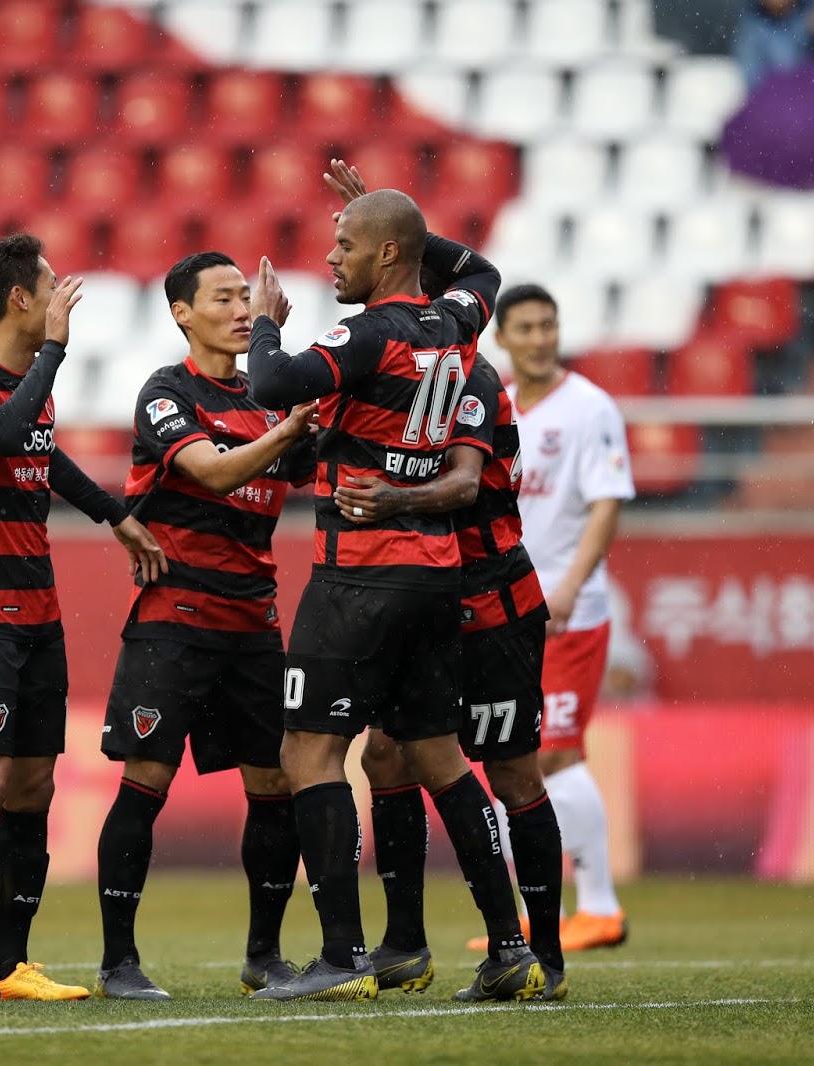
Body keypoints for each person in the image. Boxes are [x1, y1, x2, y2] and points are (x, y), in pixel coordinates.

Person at [245, 188, 544, 1003]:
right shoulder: (455, 324)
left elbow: (269, 382)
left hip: (360, 573)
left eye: (343, 244)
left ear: (383, 257)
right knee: (437, 755)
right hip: (434, 575)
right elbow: (478, 268)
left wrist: (268, 319)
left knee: (307, 751)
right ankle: (509, 946)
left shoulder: (370, 333)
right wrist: (403, 229)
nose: (330, 257)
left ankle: (341, 955)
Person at [323, 161, 568, 1002]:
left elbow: (463, 488)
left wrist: (388, 493)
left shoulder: (476, 380)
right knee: (389, 753)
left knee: (512, 775)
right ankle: (403, 943)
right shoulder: (407, 362)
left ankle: (543, 954)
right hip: (423, 599)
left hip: (491, 600)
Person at [0, 234, 165, 1002]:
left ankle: (8, 965)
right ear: (21, 300)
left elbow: (41, 451)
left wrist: (114, 515)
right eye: (52, 285)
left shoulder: (30, 386)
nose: (64, 296)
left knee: (32, 788)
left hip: (35, 614)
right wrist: (54, 352)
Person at [93, 252, 318, 1001]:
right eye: (222, 298)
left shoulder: (269, 395)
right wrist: (287, 432)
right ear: (182, 314)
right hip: (174, 620)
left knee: (275, 784)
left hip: (254, 621)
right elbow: (214, 472)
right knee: (145, 781)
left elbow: (327, 465)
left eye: (246, 297)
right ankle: (118, 962)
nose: (240, 308)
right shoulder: (167, 392)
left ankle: (264, 955)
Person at [490, 283, 636, 953]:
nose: (541, 338)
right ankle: (535, 914)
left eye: (549, 325)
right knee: (509, 753)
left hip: (566, 610)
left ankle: (601, 906)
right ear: (503, 339)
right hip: (509, 606)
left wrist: (572, 587)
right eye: (526, 327)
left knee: (555, 752)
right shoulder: (497, 407)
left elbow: (606, 503)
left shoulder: (590, 408)